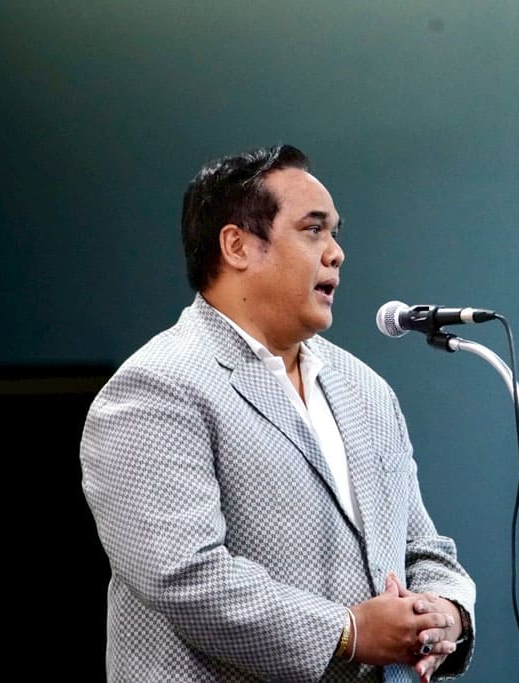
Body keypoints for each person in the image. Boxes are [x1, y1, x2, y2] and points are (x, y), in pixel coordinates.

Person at [80, 144, 475, 682]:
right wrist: (347, 632)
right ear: (237, 246)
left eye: (335, 233)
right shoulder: (157, 387)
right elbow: (185, 574)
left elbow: (421, 549)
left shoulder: (366, 389)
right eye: (313, 230)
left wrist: (446, 611)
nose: (336, 253)